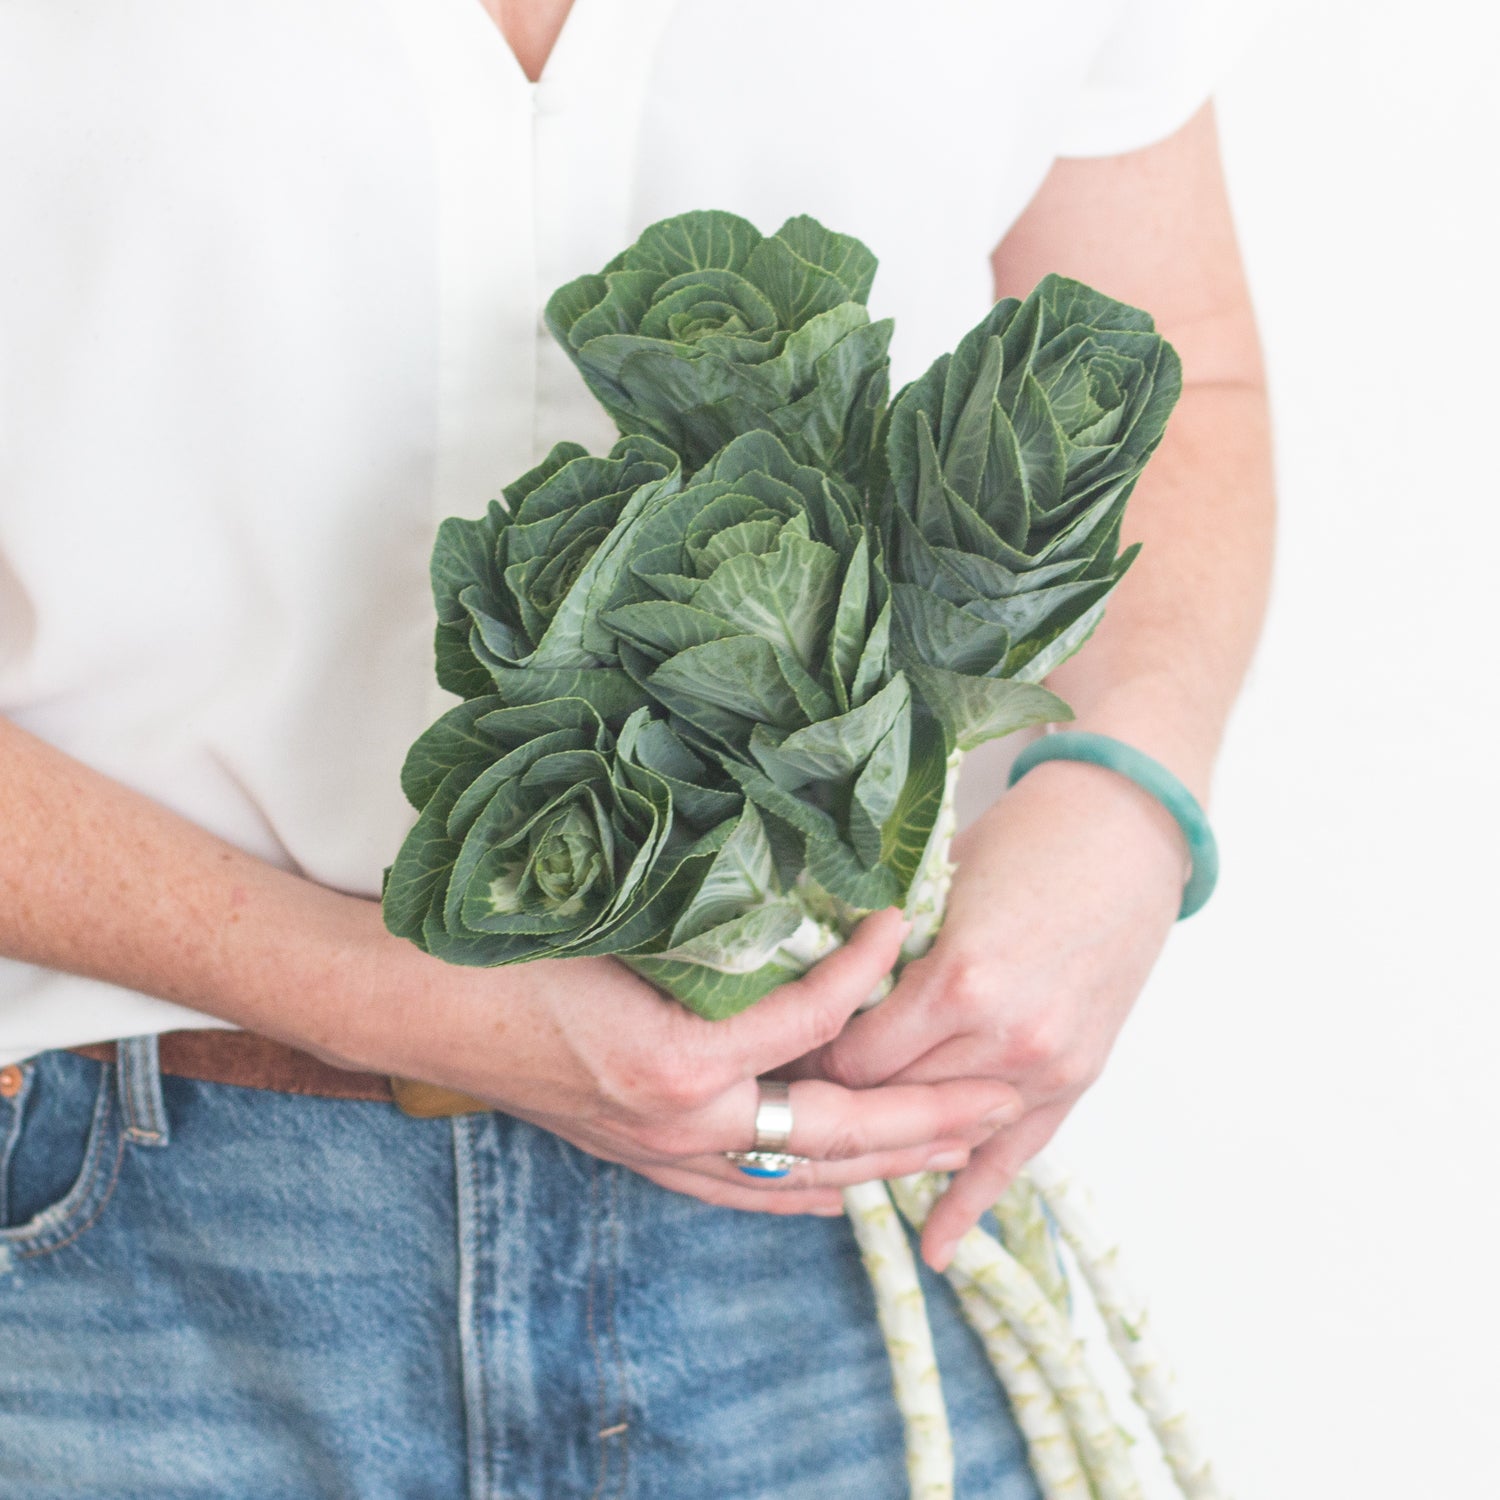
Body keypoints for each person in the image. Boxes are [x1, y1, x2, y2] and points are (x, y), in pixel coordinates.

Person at [0, 1, 1273, 1494]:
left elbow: (1180, 361)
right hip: (121, 1241)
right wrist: (367, 989)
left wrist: (1123, 801)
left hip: (840, 1190)